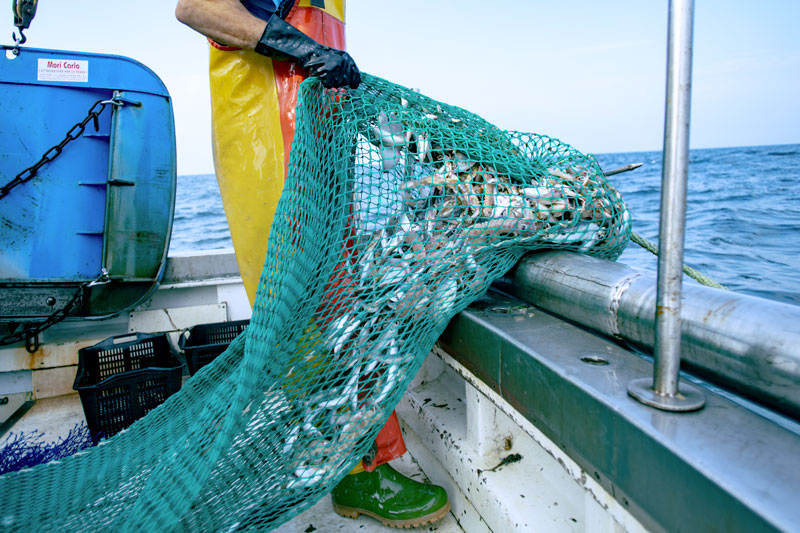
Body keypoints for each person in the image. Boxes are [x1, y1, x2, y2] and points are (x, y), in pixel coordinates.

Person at [174, 0, 450, 528]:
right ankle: (358, 470)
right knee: (323, 307)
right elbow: (198, 7)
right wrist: (305, 48)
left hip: (315, 141)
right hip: (271, 145)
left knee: (342, 295)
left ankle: (340, 455)